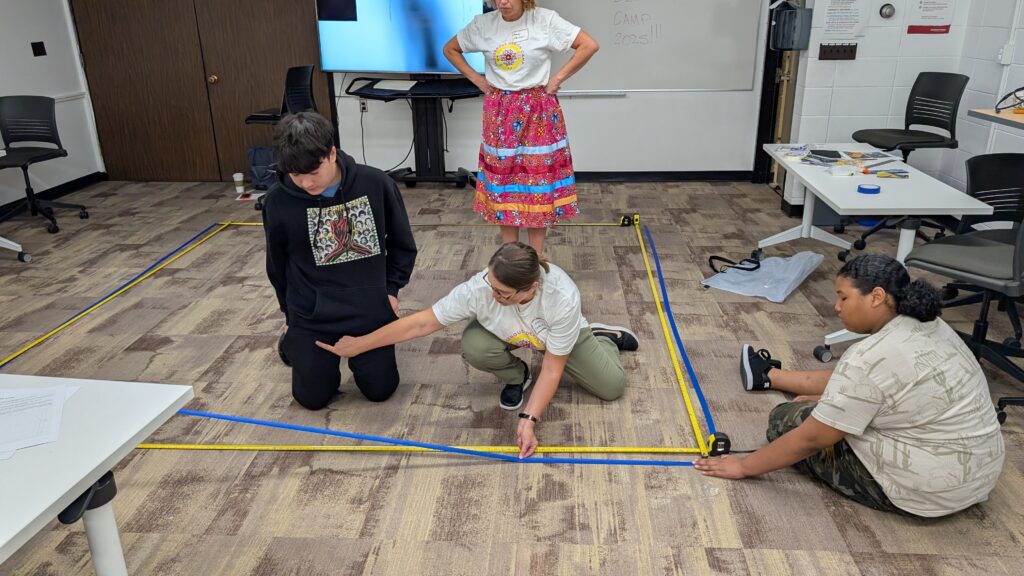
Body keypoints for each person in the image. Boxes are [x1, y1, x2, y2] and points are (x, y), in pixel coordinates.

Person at [696, 254, 1005, 518]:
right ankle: (773, 377)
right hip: (980, 474)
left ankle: (782, 390)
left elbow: (812, 439)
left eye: (844, 297)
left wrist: (744, 467)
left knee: (784, 421)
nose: (837, 307)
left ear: (877, 297)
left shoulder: (868, 357)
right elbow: (883, 385)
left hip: (927, 494)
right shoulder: (931, 325)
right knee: (822, 407)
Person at [315, 242, 638, 458]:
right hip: (507, 333)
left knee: (612, 388)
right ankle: (517, 375)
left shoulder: (561, 298)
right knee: (475, 346)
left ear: (531, 288)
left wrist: (529, 419)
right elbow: (422, 323)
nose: (491, 292)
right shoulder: (480, 287)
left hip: (558, 335)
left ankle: (603, 337)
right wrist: (361, 344)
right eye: (490, 283)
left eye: (503, 292)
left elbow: (553, 368)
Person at [262, 112, 417, 410]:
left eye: (313, 172)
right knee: (311, 399)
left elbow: (402, 245)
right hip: (312, 312)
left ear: (331, 153)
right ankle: (293, 341)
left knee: (380, 390)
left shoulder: (375, 183)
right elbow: (277, 266)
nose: (306, 183)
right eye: (296, 176)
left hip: (368, 309)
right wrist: (289, 315)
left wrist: (391, 290)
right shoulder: (277, 202)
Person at [442, 0, 599, 256]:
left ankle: (534, 260)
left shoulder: (544, 19)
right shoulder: (484, 24)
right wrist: (477, 79)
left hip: (537, 109)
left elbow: (588, 45)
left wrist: (557, 79)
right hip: (500, 110)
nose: (502, 2)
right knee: (504, 182)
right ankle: (510, 258)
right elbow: (450, 49)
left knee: (536, 181)